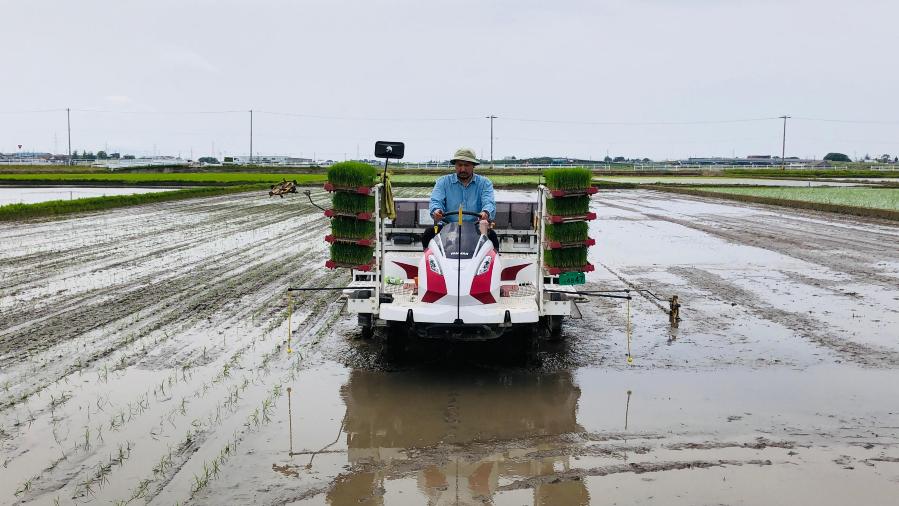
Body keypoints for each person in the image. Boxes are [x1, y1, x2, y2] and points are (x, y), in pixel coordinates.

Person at [422, 147, 499, 251]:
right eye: (459, 165)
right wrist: (437, 211)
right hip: (447, 227)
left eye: (466, 165)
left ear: (473, 166)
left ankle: (492, 262)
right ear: (455, 165)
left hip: (476, 228)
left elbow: (489, 202)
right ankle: (430, 264)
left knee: (493, 237)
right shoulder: (443, 182)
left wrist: (485, 212)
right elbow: (436, 201)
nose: (462, 169)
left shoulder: (485, 183)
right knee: (428, 234)